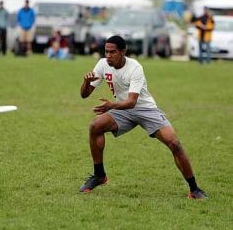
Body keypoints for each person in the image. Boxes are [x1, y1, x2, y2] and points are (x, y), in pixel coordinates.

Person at [79, 35, 207, 199]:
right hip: (122, 109)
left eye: (113, 52)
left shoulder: (135, 68)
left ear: (123, 52)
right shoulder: (103, 64)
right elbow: (84, 94)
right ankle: (99, 176)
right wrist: (85, 82)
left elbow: (132, 102)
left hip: (145, 108)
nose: (108, 56)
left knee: (174, 143)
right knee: (95, 126)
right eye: (106, 52)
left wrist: (111, 106)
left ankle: (194, 189)